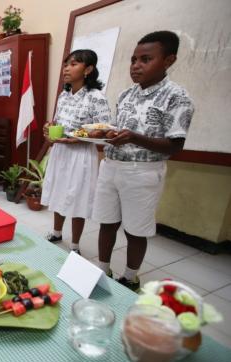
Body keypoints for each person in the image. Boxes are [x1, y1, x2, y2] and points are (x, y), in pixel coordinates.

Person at [93, 31, 194, 292]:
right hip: (111, 166)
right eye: (133, 59)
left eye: (145, 59)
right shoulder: (127, 94)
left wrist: (133, 138)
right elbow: (119, 128)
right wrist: (104, 133)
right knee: (106, 222)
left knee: (136, 230)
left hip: (142, 172)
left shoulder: (176, 97)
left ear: (168, 60)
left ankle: (130, 277)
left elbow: (176, 145)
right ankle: (102, 269)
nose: (136, 66)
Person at [41, 49, 111, 255]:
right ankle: (56, 232)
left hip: (81, 155)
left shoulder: (96, 97)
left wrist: (77, 138)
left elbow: (106, 129)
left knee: (78, 197)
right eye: (66, 65)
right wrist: (49, 128)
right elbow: (57, 122)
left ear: (88, 69)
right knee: (58, 191)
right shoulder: (64, 95)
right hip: (60, 151)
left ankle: (75, 245)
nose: (66, 69)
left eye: (73, 64)